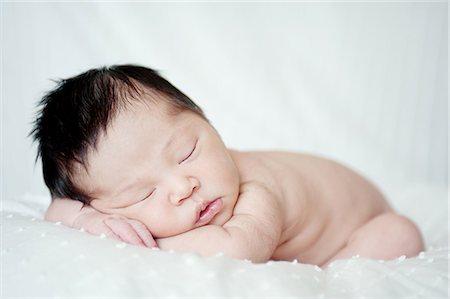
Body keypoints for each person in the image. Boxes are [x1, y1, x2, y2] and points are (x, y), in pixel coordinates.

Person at [31, 64, 424, 267]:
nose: (184, 186)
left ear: (206, 120)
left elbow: (237, 250)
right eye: (143, 193)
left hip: (364, 224)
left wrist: (139, 237)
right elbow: (58, 209)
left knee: (399, 234)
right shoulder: (106, 203)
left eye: (186, 152)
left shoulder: (256, 191)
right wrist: (86, 221)